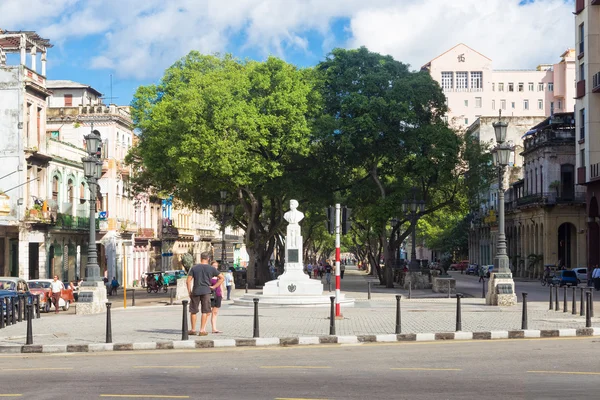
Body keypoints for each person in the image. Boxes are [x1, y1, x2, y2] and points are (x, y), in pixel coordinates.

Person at [187, 252, 224, 336]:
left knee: (193, 311)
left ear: (200, 258)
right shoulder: (211, 268)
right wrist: (214, 287)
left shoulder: (194, 268)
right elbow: (222, 278)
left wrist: (189, 292)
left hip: (196, 291)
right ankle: (202, 330)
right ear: (208, 259)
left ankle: (193, 329)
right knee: (205, 311)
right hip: (206, 291)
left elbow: (188, 281)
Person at [209, 261, 225, 333]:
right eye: (213, 265)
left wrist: (222, 293)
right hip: (210, 295)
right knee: (208, 312)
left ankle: (214, 328)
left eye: (216, 266)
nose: (215, 267)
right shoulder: (209, 274)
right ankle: (203, 328)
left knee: (215, 312)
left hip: (218, 294)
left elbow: (221, 284)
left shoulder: (219, 275)